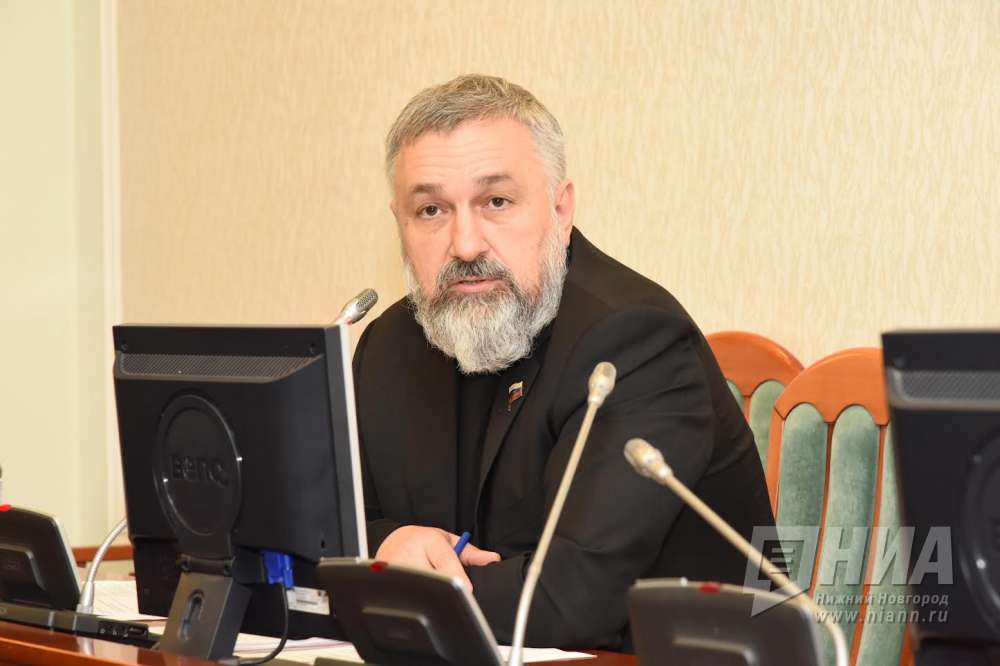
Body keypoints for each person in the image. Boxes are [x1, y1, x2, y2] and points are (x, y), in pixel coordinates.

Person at [352, 74, 774, 651]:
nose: (466, 245)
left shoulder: (634, 342)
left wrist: (383, 585)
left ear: (560, 207)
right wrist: (387, 546)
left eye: (496, 202)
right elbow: (319, 537)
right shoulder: (389, 347)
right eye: (430, 210)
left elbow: (569, 600)